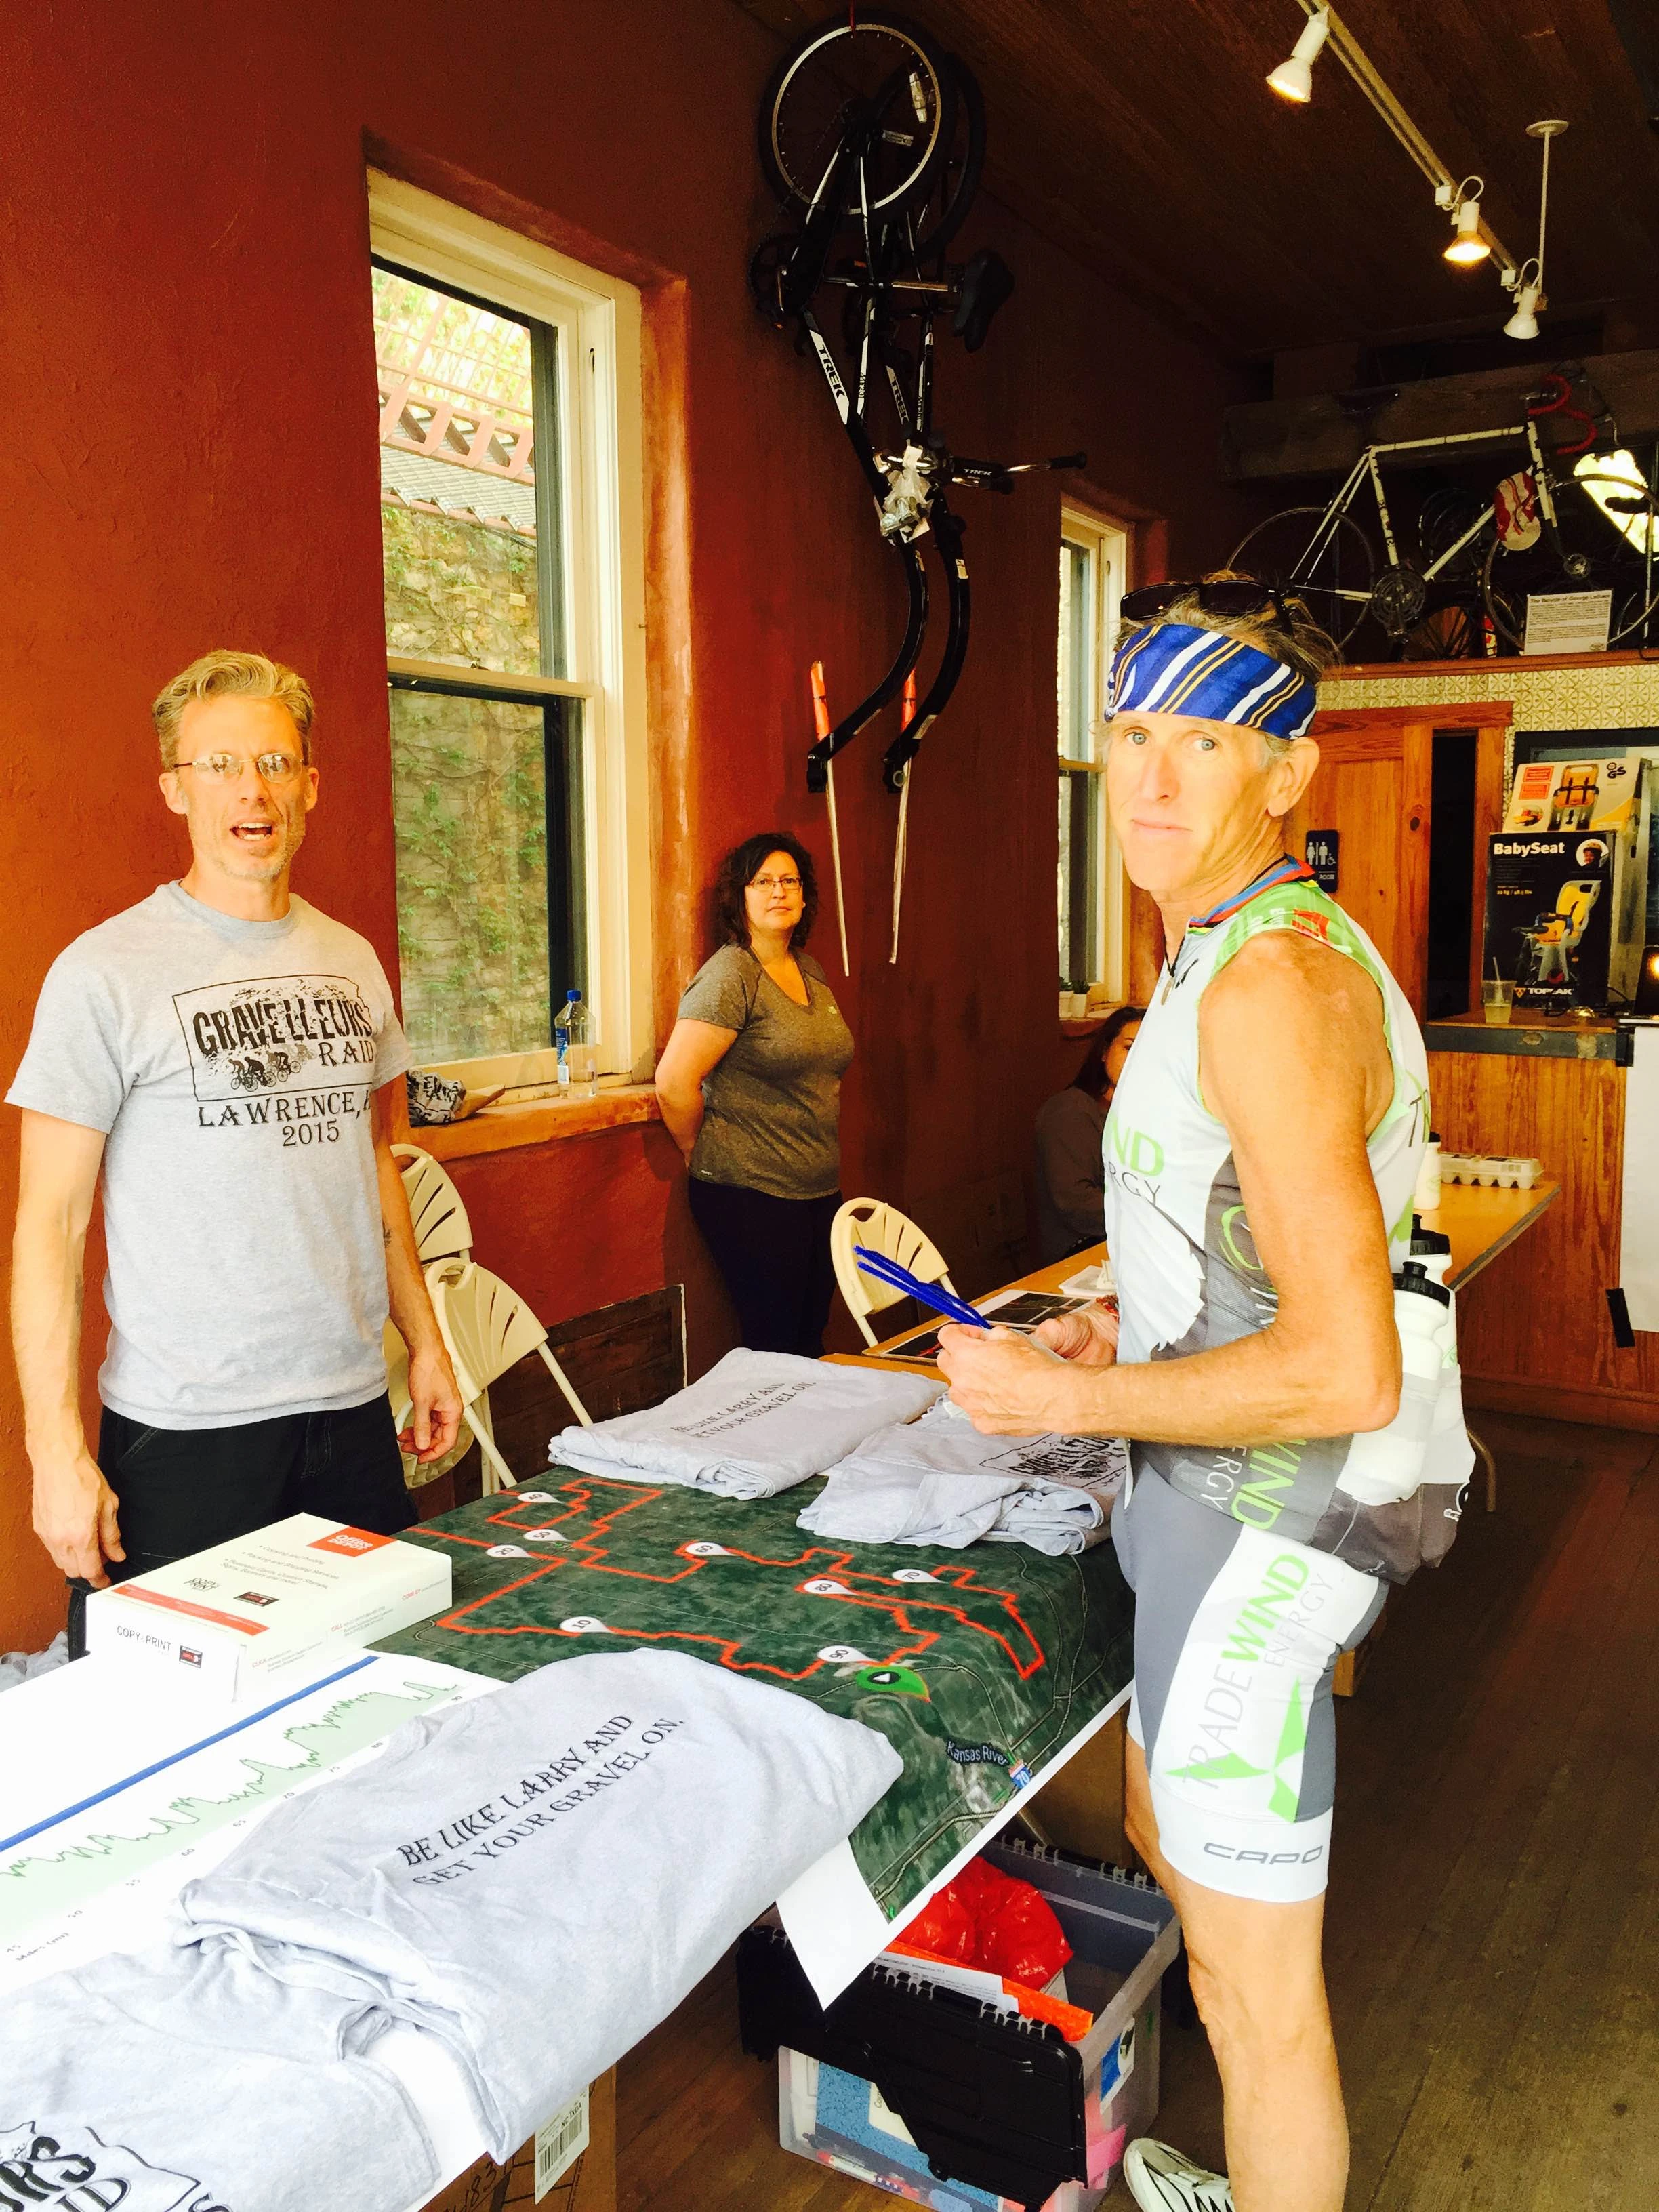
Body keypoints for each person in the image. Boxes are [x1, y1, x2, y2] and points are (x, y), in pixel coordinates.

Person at [936, 577, 1468, 2212]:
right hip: (1229, 1490)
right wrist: (1114, 1322)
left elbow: (1338, 1360)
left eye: (1205, 739)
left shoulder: (1266, 988)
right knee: (1173, 1835)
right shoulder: (1213, 952)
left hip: (1272, 1513)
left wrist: (1048, 1408)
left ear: (1287, 772)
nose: (1151, 780)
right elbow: (1238, 1235)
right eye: (1128, 734)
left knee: (1250, 1989)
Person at [8, 650, 462, 1653]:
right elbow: (50, 1224)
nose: (249, 789)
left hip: (349, 1413)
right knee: (156, 1729)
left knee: (382, 1690)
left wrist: (427, 1343)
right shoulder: (104, 973)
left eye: (272, 762)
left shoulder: (351, 961)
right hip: (185, 1433)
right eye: (217, 766)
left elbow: (371, 1166)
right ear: (175, 788)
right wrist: (55, 1450)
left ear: (309, 785)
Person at [655, 832, 854, 1357]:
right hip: (750, 1192)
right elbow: (674, 1082)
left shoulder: (809, 969)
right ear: (739, 896)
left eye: (790, 881)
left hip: (816, 1189)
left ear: (806, 895)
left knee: (810, 1336)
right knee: (776, 1347)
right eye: (763, 881)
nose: (778, 892)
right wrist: (694, 1149)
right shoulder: (730, 976)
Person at [1033, 1004, 1143, 1262]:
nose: (1139, 1059)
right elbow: (1078, 1205)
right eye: (1129, 1048)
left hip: (1135, 1246)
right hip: (1083, 1252)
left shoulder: (1148, 1113)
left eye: (1149, 1051)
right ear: (1105, 1051)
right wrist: (1151, 1218)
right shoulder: (1069, 1112)